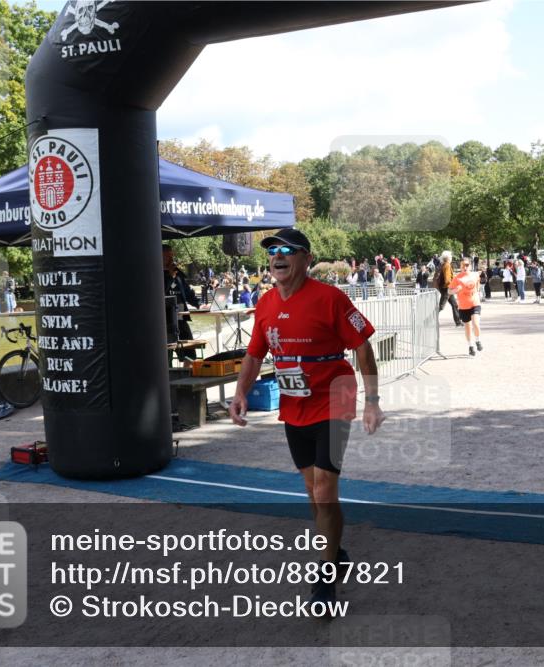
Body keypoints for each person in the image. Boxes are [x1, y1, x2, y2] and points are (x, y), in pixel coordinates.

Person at [229, 228, 384, 612]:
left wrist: (372, 401)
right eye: (272, 251)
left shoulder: (330, 298)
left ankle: (325, 577)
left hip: (334, 400)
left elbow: (362, 346)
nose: (277, 256)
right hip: (294, 406)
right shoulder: (265, 303)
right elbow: (254, 355)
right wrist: (240, 392)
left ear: (306, 259)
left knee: (325, 488)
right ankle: (336, 551)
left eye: (287, 250)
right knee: (313, 490)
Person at [163, 244, 201, 366]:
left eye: (172, 256)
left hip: (181, 319)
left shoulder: (177, 274)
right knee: (166, 355)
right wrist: (170, 276)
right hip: (165, 321)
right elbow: (160, 292)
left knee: (190, 353)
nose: (171, 259)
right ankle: (168, 376)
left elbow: (187, 291)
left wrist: (198, 304)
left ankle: (186, 375)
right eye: (168, 256)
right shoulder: (156, 274)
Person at [448, 257, 483, 356]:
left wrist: (478, 292)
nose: (465, 267)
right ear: (460, 266)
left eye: (467, 265)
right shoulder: (457, 278)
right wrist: (455, 290)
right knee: (468, 327)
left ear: (470, 266)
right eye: (463, 265)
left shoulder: (475, 275)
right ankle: (470, 346)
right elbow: (449, 291)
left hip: (475, 303)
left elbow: (478, 283)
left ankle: (478, 340)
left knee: (476, 324)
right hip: (463, 306)